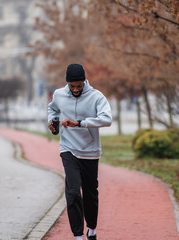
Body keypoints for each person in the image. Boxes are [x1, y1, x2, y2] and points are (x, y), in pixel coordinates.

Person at [48, 63, 112, 240]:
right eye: (72, 86)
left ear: (84, 81)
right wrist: (53, 121)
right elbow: (52, 108)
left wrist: (81, 122)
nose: (76, 89)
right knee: (73, 191)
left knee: (90, 192)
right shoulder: (59, 95)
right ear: (67, 83)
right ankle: (77, 235)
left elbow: (107, 119)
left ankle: (91, 229)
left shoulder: (96, 96)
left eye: (79, 85)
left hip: (90, 151)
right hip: (68, 149)